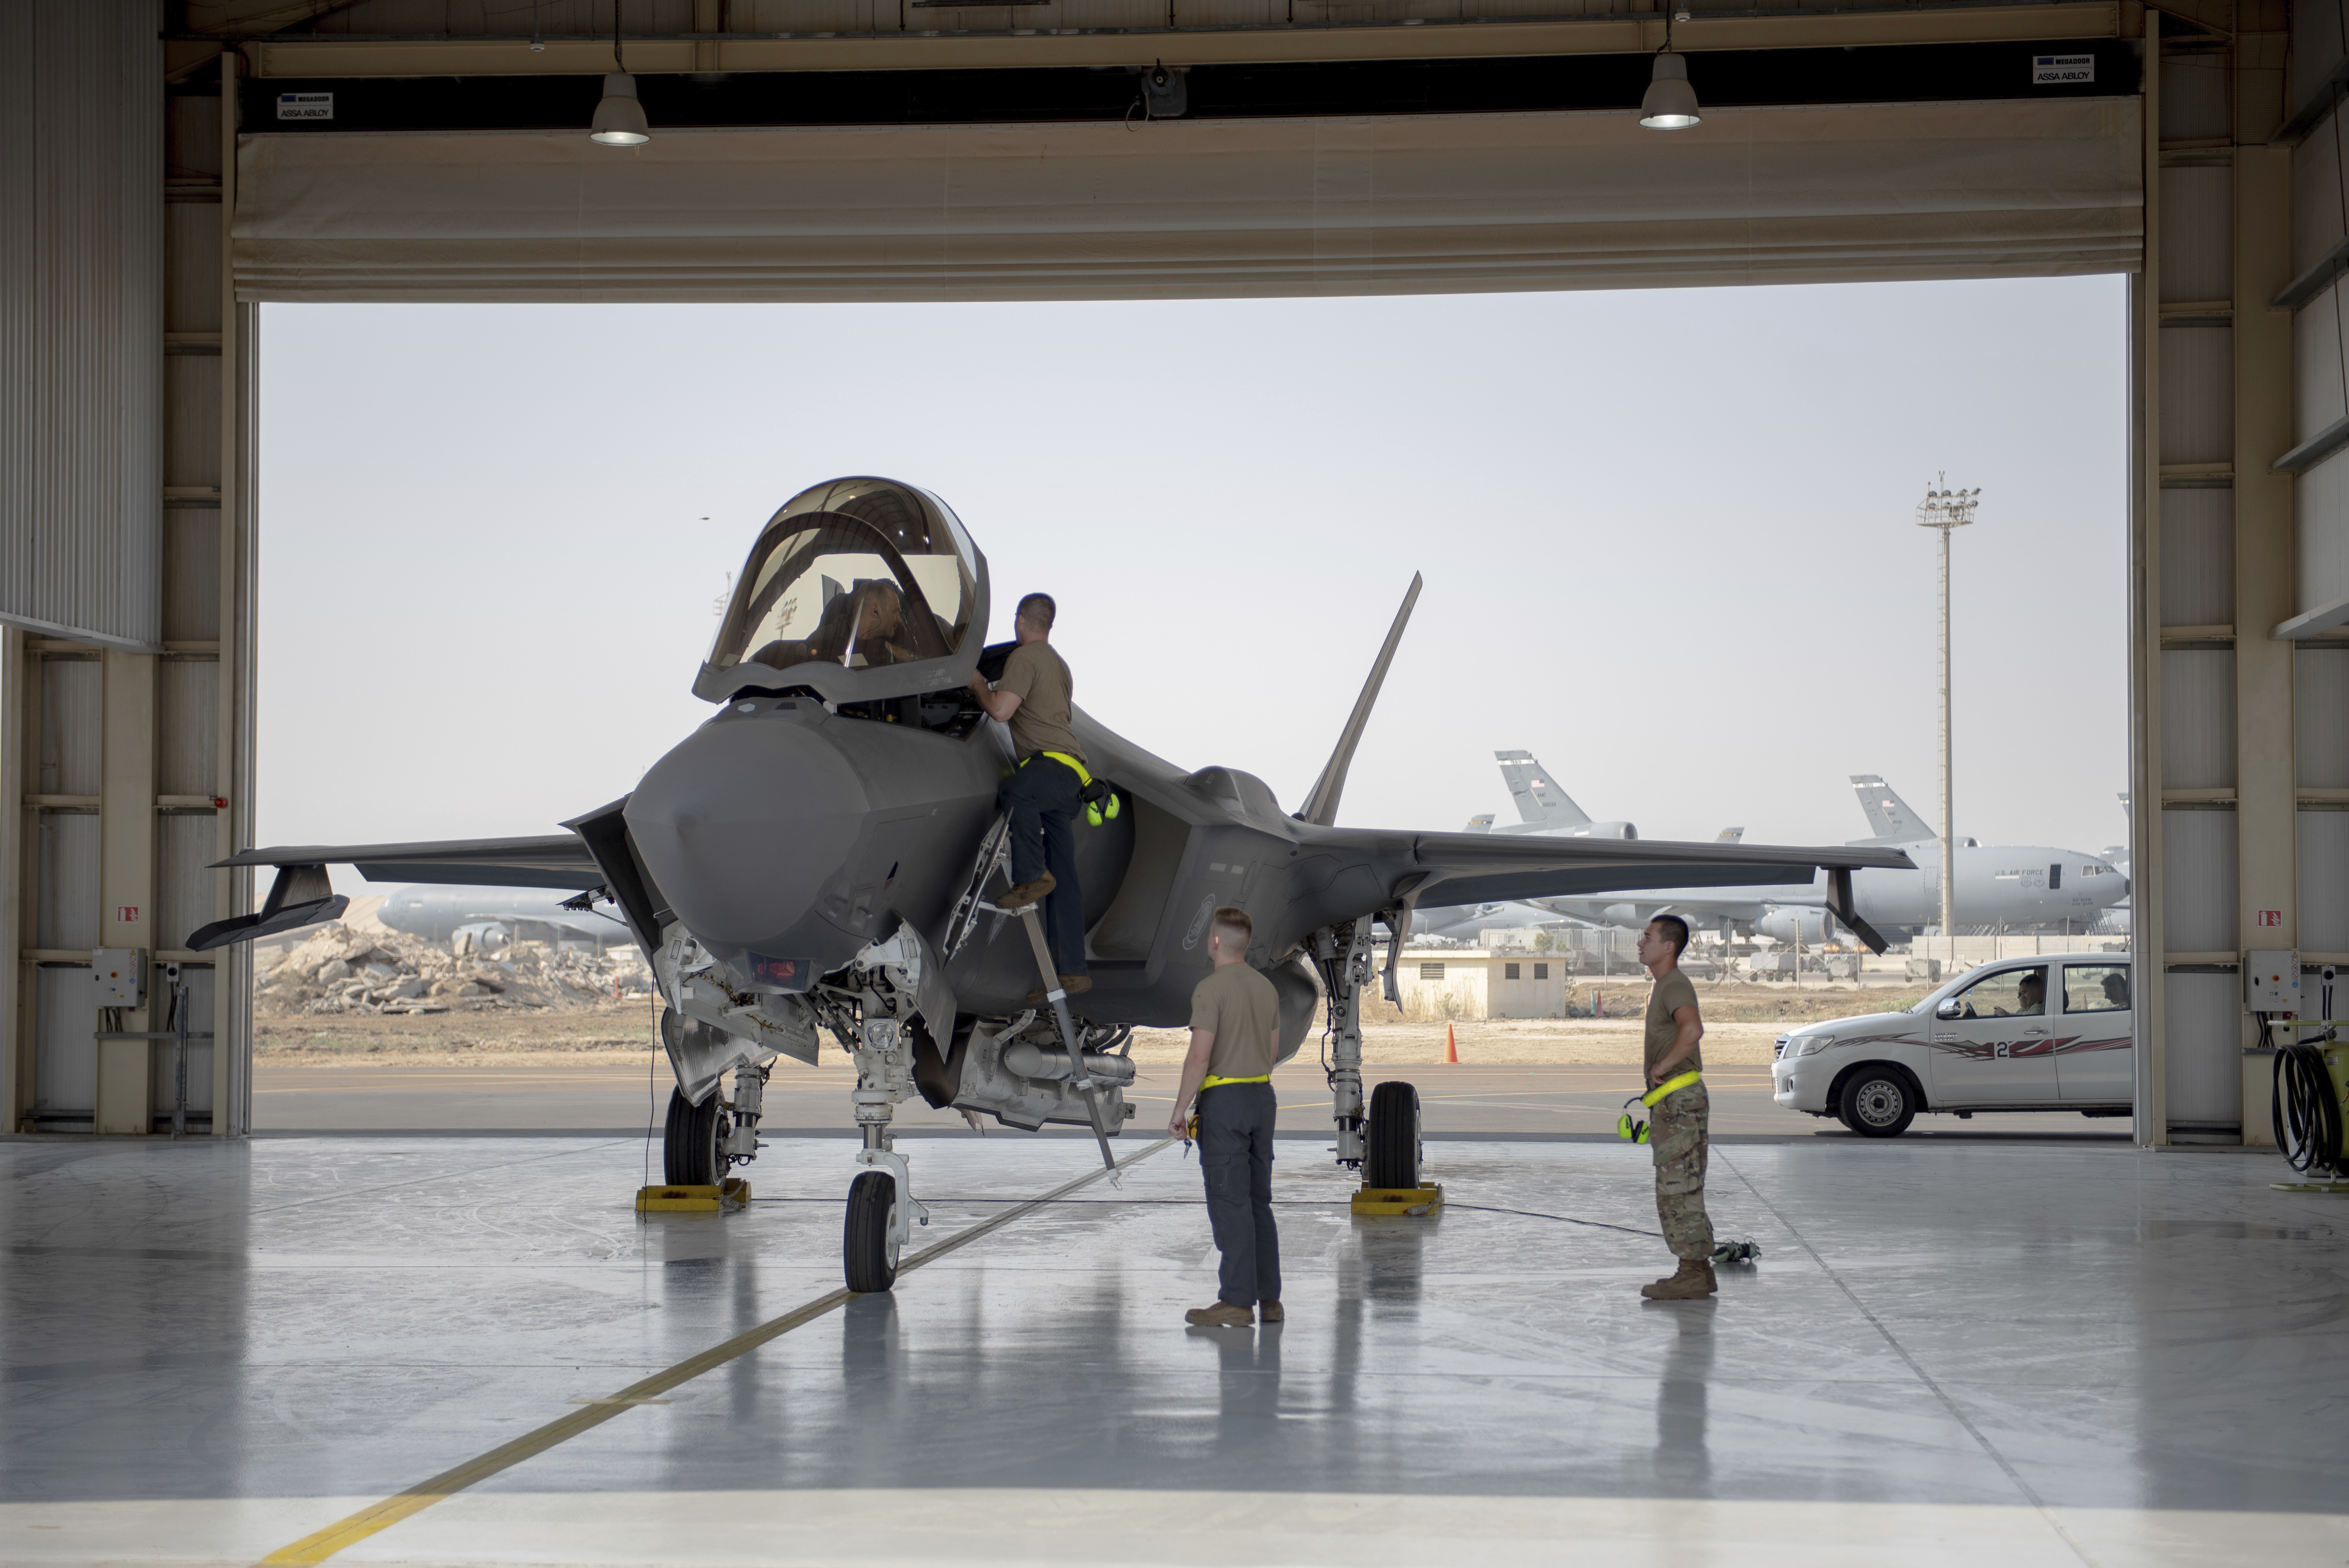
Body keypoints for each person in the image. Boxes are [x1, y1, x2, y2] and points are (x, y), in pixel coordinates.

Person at [968, 592, 1091, 1000]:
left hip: (1048, 766)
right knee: (1066, 877)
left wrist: (977, 685)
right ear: (1048, 624)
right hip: (1073, 773)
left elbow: (1001, 711)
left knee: (1016, 790)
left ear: (1021, 620)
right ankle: (1071, 973)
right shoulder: (1060, 665)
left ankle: (1031, 876)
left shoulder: (1023, 658)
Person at [1166, 906, 1282, 1329]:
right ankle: (1270, 1300)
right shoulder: (1267, 989)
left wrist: (1180, 1110)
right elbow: (1272, 1055)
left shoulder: (1210, 990)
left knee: (1230, 1203)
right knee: (1257, 1203)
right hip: (1261, 1098)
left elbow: (1199, 1057)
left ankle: (1236, 1302)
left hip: (1226, 1102)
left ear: (1214, 941)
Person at [1638, 914, 1714, 1301]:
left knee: (1678, 1188)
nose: (1641, 943)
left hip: (1679, 1101)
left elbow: (1693, 1030)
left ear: (1668, 947)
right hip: (1674, 1103)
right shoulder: (1666, 986)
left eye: (1648, 937)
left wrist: (1662, 1067)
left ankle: (1693, 1273)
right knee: (1682, 1186)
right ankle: (1696, 1270)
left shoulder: (1673, 986)